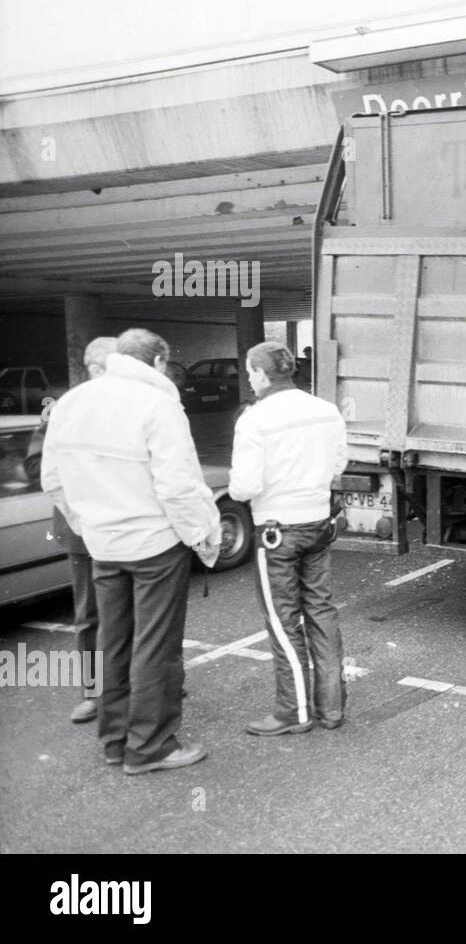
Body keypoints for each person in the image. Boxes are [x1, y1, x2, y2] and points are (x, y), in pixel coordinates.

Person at [42, 328, 220, 774]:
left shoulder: (71, 403)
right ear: (158, 362)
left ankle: (114, 741)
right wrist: (200, 535)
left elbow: (53, 480)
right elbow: (177, 486)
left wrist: (87, 523)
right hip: (155, 544)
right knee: (155, 646)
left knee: (112, 642)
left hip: (102, 543)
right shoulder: (157, 404)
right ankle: (150, 747)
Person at [229, 342, 348, 736]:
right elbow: (338, 465)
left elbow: (244, 487)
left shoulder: (254, 420)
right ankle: (331, 709)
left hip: (277, 529)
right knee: (321, 611)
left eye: (249, 371)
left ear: (262, 374)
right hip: (317, 522)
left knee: (284, 623)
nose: (249, 378)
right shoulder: (325, 410)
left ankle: (293, 713)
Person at [27, 336, 117, 723]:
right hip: (83, 531)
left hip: (133, 529)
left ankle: (155, 680)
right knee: (91, 616)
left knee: (145, 611)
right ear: (95, 369)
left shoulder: (139, 406)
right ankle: (95, 694)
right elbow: (35, 466)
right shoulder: (61, 410)